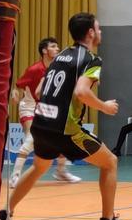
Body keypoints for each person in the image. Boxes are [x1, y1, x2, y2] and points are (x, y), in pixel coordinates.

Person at [0, 13, 132, 220]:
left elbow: (41, 90)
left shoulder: (60, 56)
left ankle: (5, 212)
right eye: (98, 29)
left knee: (39, 167)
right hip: (66, 130)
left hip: (41, 124)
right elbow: (82, 92)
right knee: (110, 162)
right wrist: (104, 107)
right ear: (90, 33)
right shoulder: (91, 59)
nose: (100, 33)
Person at [8, 37, 82, 187]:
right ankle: (15, 176)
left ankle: (61, 171)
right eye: (53, 46)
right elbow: (18, 85)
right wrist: (14, 93)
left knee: (60, 136)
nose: (57, 49)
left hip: (45, 108)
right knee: (31, 138)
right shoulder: (35, 69)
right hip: (29, 107)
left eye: (57, 46)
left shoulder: (58, 67)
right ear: (44, 51)